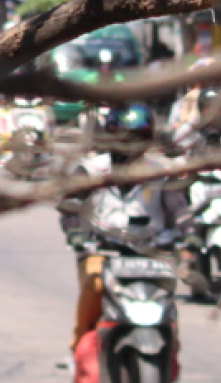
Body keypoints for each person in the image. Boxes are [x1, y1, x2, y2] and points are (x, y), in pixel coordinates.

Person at [61, 104, 187, 351]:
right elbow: (70, 204)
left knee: (166, 294)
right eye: (124, 138)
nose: (130, 145)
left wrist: (188, 233)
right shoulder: (91, 169)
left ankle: (170, 350)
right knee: (94, 285)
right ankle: (78, 341)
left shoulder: (161, 172)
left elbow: (179, 207)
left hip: (151, 253)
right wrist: (76, 232)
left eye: (137, 138)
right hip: (102, 251)